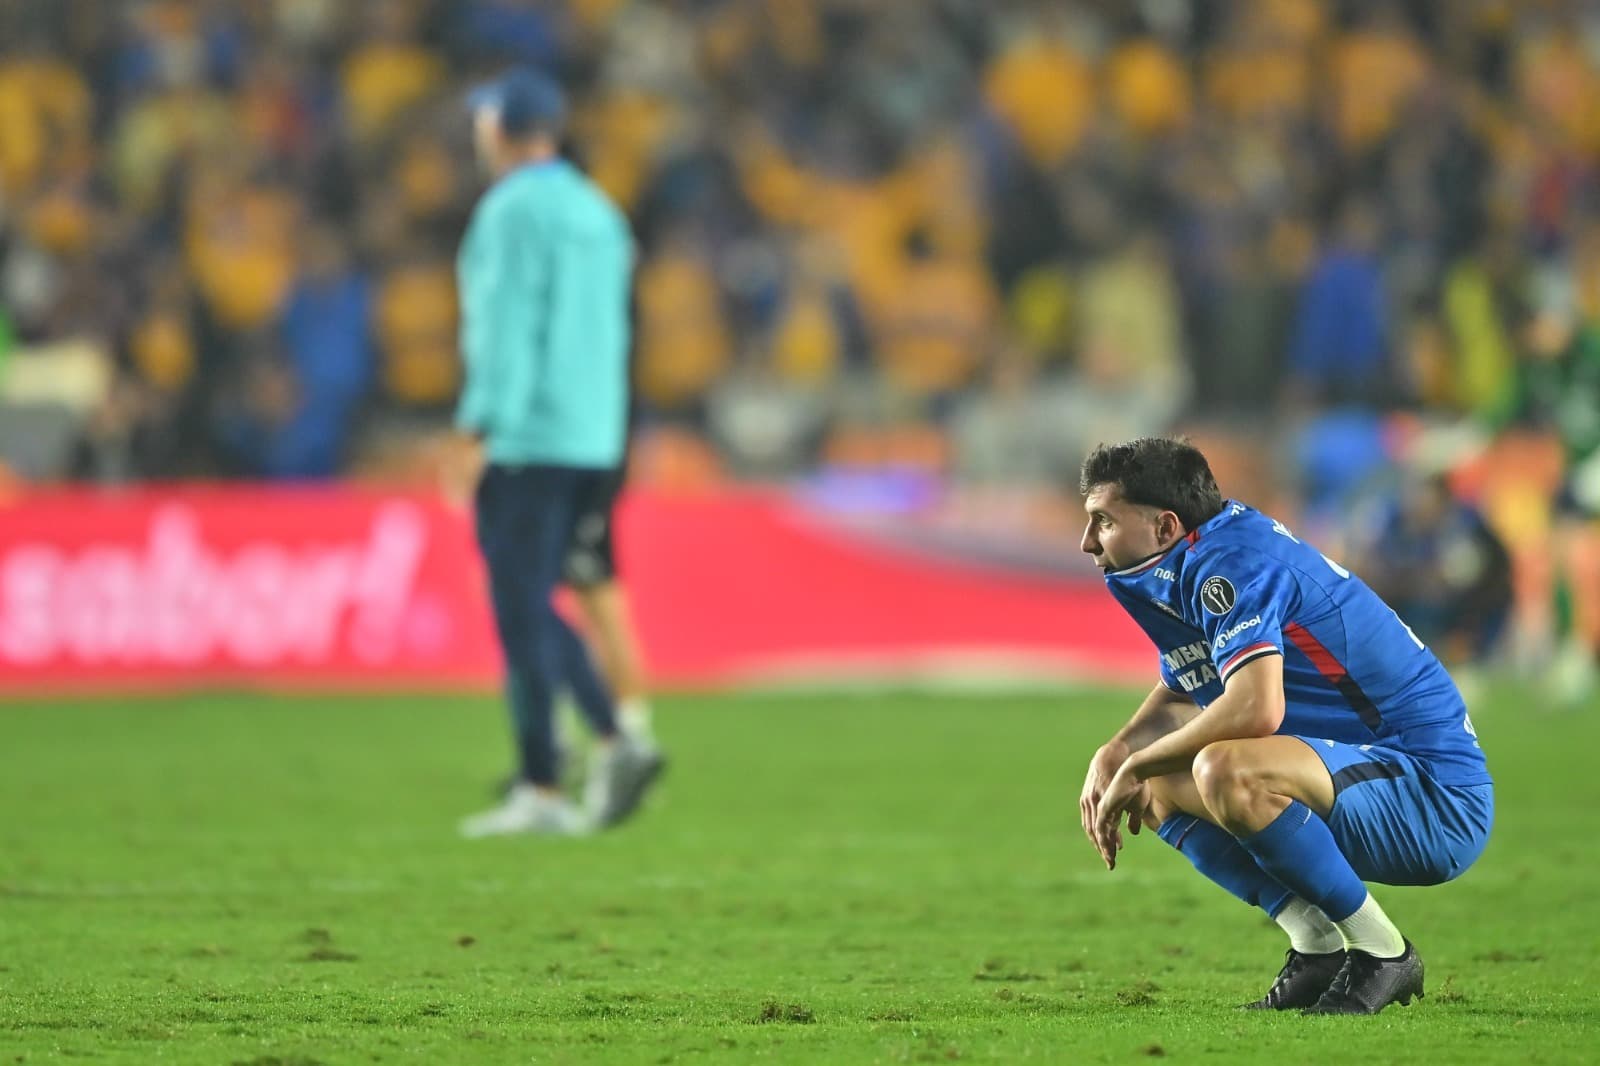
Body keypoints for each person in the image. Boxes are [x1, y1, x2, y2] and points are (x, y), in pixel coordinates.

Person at [1075, 438, 1493, 1014]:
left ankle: (1383, 953)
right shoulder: (1198, 554)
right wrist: (1119, 751)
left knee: (1224, 768)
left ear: (1164, 526)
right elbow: (1187, 686)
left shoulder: (1231, 565)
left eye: (1103, 521)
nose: (1087, 541)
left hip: (1433, 797)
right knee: (1159, 779)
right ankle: (1317, 945)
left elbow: (1256, 708)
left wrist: (1138, 761)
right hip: (1361, 773)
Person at [451, 68, 663, 838]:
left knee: (519, 605)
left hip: (530, 434)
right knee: (530, 601)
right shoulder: (597, 209)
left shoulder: (509, 210)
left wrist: (480, 425)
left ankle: (558, 773)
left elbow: (503, 326)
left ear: (500, 130)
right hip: (594, 433)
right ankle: (597, 746)